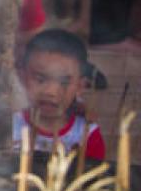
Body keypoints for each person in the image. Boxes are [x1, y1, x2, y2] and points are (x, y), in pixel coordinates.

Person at [12, 29, 105, 159]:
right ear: (23, 77)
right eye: (40, 79)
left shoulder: (86, 135)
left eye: (64, 82)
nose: (51, 92)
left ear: (80, 86)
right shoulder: (9, 126)